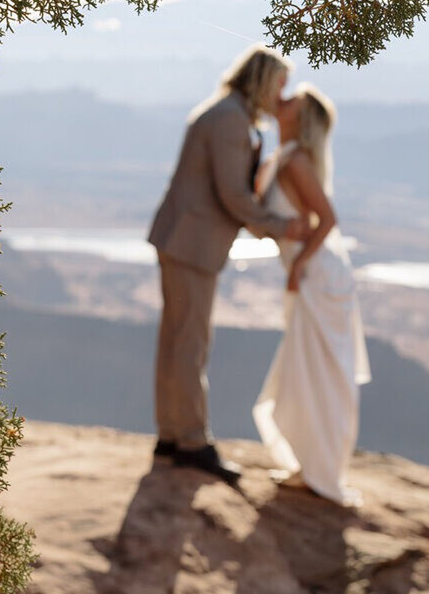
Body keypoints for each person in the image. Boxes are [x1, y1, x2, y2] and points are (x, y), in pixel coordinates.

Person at [148, 45, 311, 485]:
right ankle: (191, 443)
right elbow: (233, 196)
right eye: (280, 85)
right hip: (192, 243)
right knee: (190, 342)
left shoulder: (227, 114)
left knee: (178, 338)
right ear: (262, 81)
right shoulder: (230, 121)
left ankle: (171, 435)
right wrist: (282, 227)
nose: (282, 96)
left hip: (185, 240)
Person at [253, 83, 371, 505]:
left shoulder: (297, 161)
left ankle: (318, 471)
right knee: (307, 373)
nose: (280, 100)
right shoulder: (283, 157)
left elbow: (328, 219)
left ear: (299, 121)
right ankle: (311, 466)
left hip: (320, 280)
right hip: (315, 277)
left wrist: (300, 266)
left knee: (318, 376)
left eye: (291, 102)